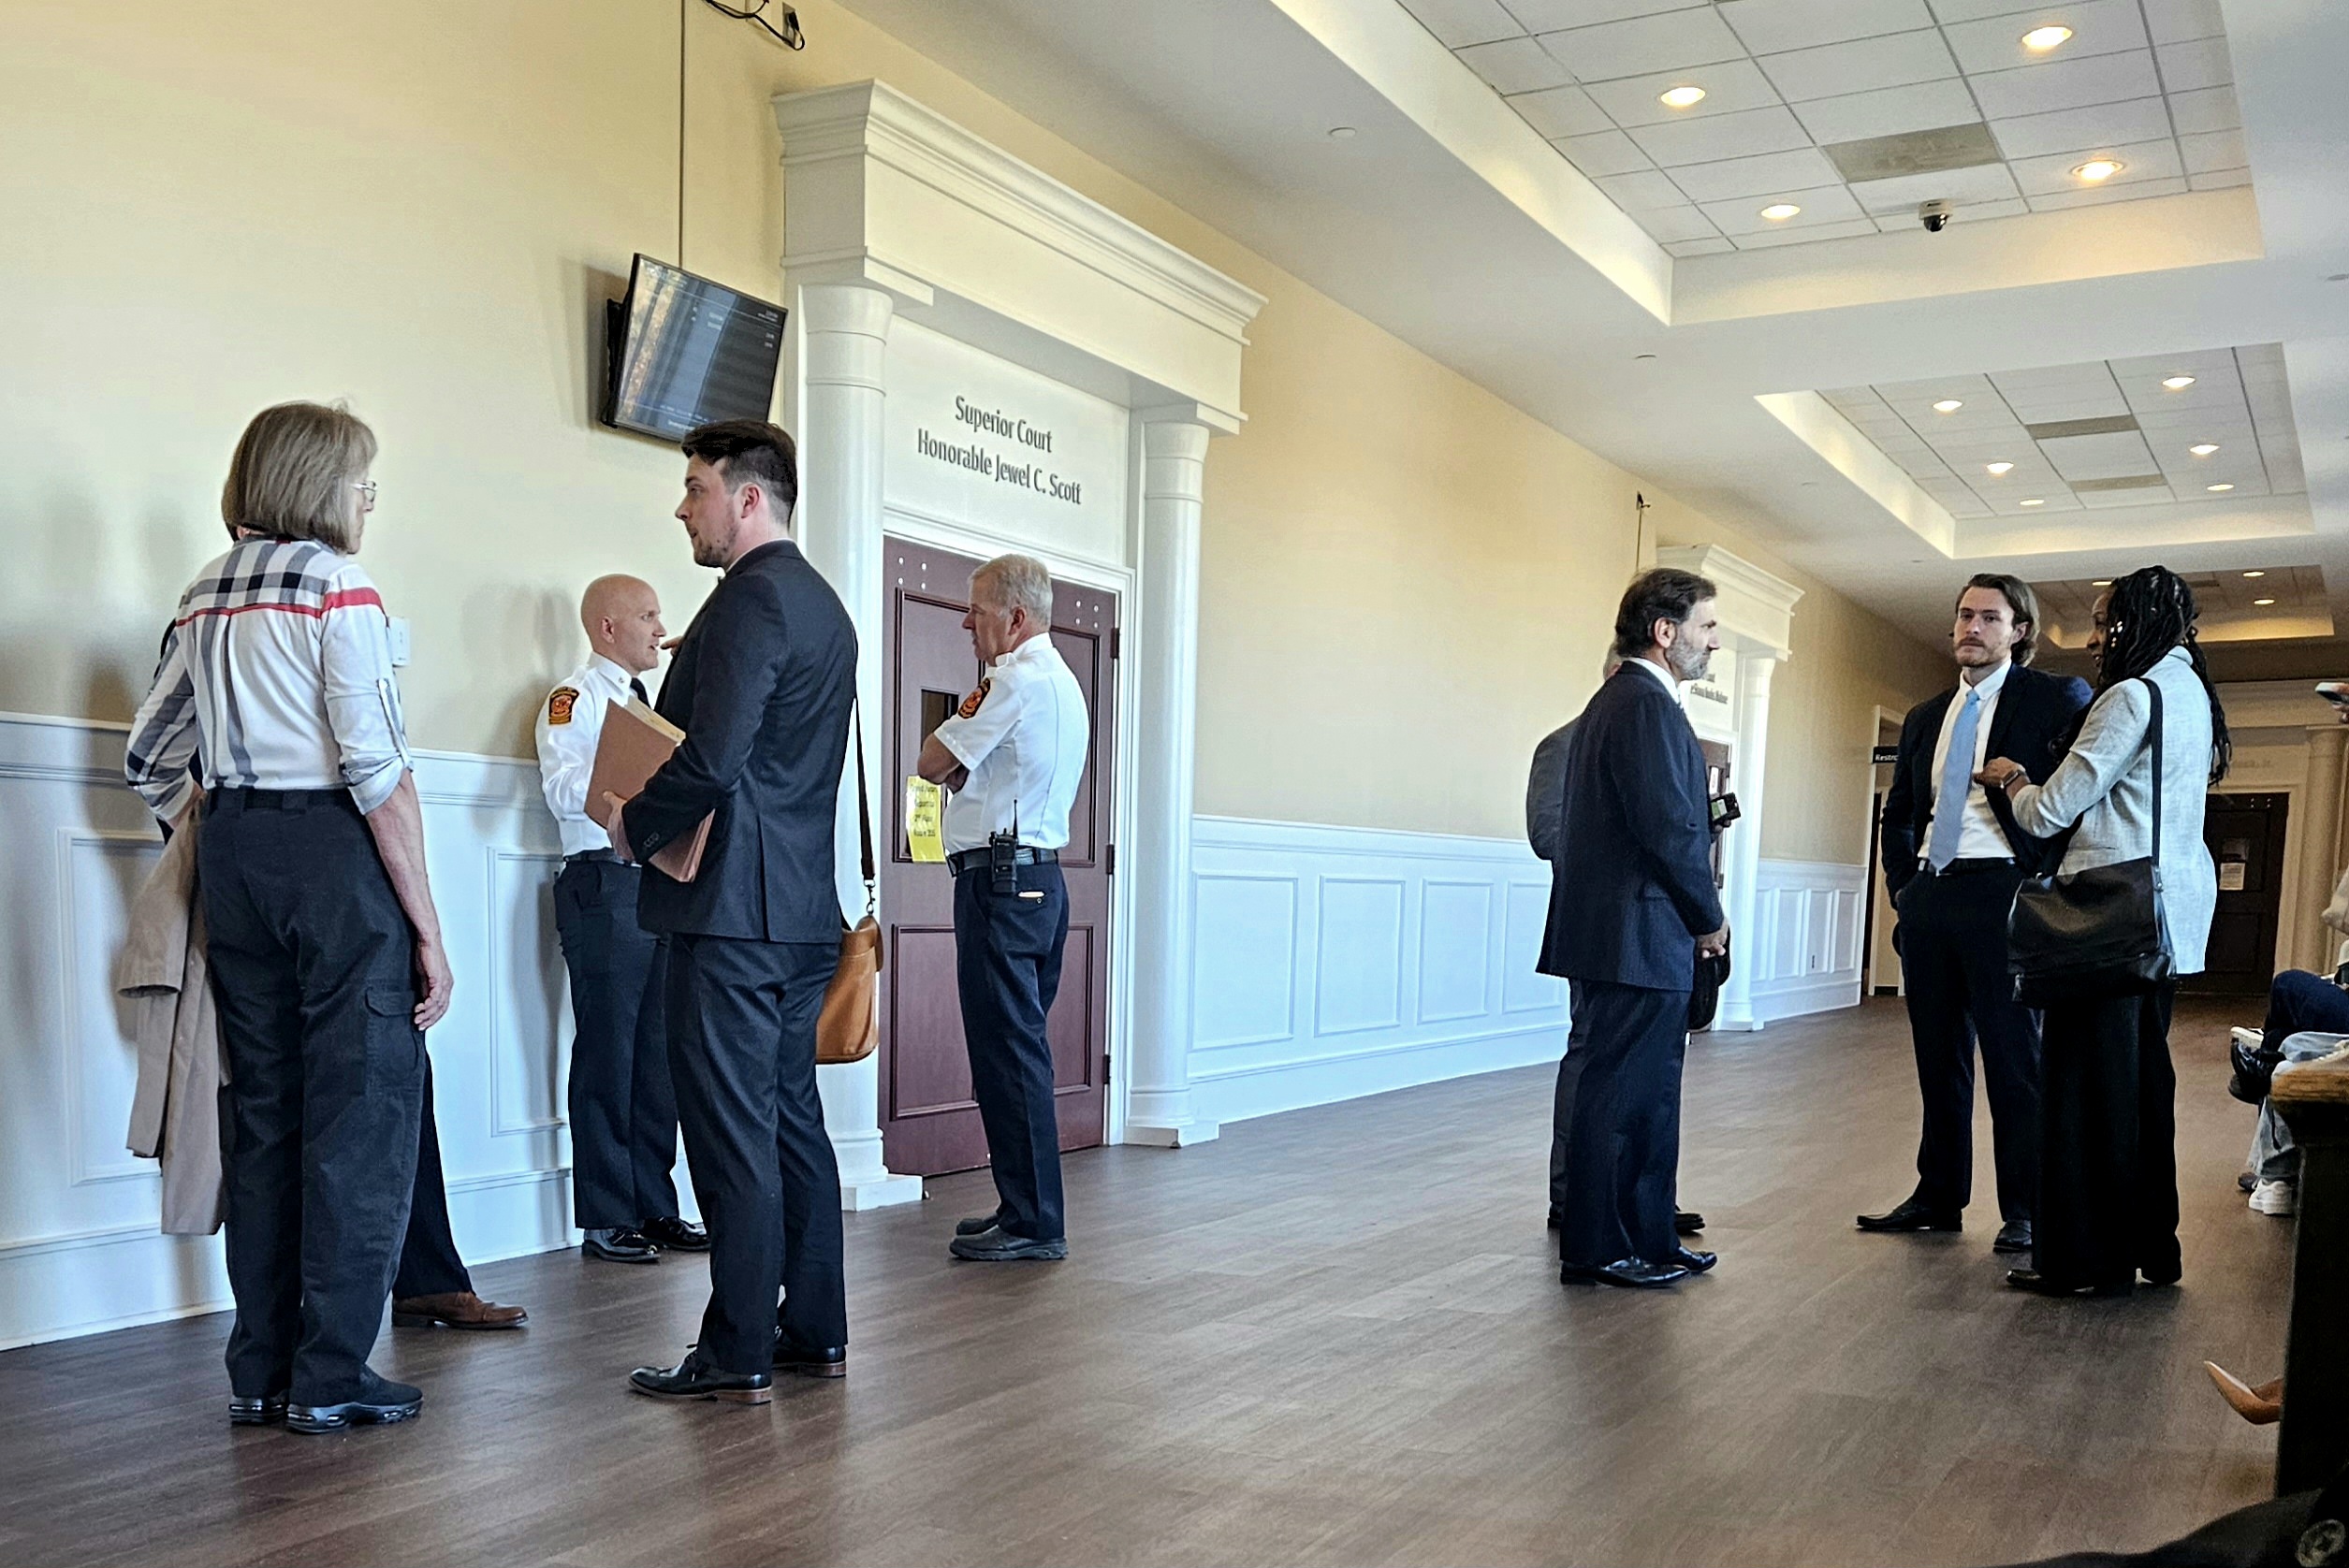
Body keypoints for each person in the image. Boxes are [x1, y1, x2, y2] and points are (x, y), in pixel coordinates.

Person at [125, 399, 450, 1431]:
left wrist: (222, 825)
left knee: (264, 1114)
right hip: (334, 856)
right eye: (362, 478)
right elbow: (374, 768)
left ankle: (257, 1369)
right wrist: (430, 929)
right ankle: (331, 1373)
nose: (369, 497)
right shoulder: (336, 586)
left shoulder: (202, 591)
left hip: (236, 851)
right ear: (322, 483)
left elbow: (147, 754)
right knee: (361, 1118)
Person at [609, 419, 855, 1403]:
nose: (683, 507)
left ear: (747, 499)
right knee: (790, 1121)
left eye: (695, 487)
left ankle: (737, 1343)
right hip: (798, 914)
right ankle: (814, 1328)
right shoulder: (823, 605)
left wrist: (632, 824)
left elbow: (711, 763)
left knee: (729, 1132)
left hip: (728, 914)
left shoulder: (750, 602)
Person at [1977, 565, 2226, 1297]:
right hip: (2167, 916)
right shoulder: (2190, 691)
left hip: (2107, 919)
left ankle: (2088, 1261)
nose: (2092, 638)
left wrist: (2014, 781)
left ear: (2135, 623)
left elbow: (2052, 811)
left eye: (2102, 622)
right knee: (2140, 1086)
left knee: (2085, 1095)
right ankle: (2148, 1247)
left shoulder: (2131, 696)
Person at [1859, 574, 2090, 1256]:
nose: (1972, 628)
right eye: (1964, 615)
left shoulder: (2055, 700)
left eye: (1990, 618)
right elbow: (1899, 813)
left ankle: (2024, 1208)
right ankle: (1938, 1197)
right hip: (1933, 894)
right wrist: (1906, 888)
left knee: (2015, 1059)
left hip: (2008, 894)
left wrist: (2040, 877)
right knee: (1939, 1057)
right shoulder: (1929, 714)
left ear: (2020, 631)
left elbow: (2078, 799)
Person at [1538, 568, 1728, 1290]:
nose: (1715, 641)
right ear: (1666, 632)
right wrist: (1707, 920)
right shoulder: (1641, 706)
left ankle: (1647, 1238)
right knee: (1619, 1099)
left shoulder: (1626, 703)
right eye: (1707, 627)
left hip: (1634, 938)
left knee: (1647, 1096)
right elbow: (1669, 829)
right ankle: (1599, 1248)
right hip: (1634, 939)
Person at [914, 554, 1090, 1262]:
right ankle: (1022, 1207)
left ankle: (1036, 1222)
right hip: (1036, 885)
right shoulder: (1062, 681)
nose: (965, 621)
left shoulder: (1012, 681)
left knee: (1010, 1056)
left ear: (1015, 618)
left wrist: (956, 756)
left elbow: (931, 761)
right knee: (1014, 1052)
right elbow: (964, 765)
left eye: (977, 610)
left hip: (1001, 884)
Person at [534, 574, 704, 1265]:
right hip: (603, 883)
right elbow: (562, 787)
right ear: (607, 628)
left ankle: (655, 1206)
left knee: (658, 1055)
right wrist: (635, 793)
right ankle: (607, 1216)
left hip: (657, 886)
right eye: (647, 615)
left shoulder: (647, 705)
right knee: (608, 1052)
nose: (659, 628)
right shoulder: (574, 700)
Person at [1527, 654, 1703, 1241]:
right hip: (1607, 931)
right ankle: (1572, 1198)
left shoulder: (1662, 733)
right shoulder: (1563, 743)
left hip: (1659, 930)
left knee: (1650, 1078)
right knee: (1594, 1066)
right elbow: (1549, 835)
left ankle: (1635, 1202)